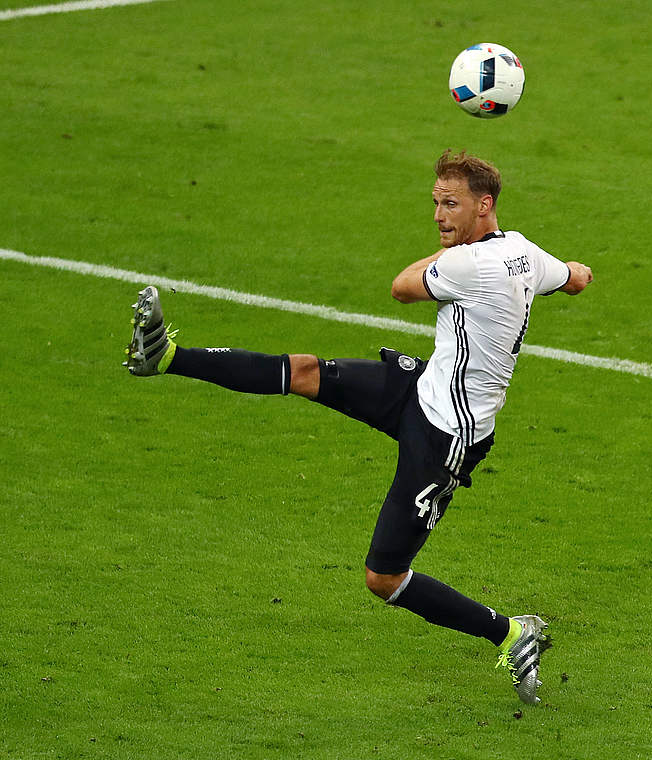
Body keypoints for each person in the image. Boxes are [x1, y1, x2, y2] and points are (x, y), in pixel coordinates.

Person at [123, 149, 594, 705]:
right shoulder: (523, 253)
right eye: (436, 204)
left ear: (484, 205)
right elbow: (578, 279)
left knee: (384, 576)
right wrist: (549, 272)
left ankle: (512, 633)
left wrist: (468, 258)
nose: (440, 216)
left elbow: (401, 286)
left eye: (452, 204)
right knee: (303, 372)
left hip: (447, 437)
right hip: (423, 390)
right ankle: (168, 355)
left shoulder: (474, 264)